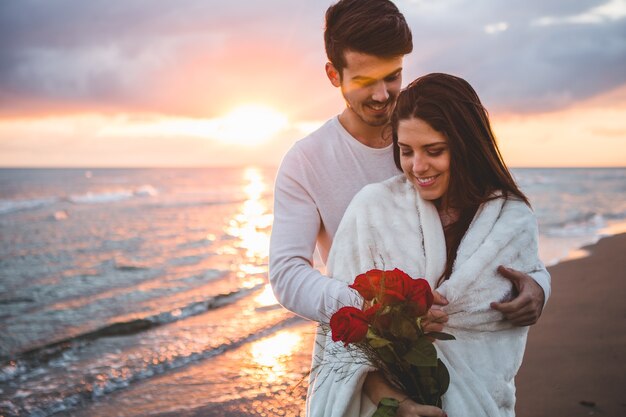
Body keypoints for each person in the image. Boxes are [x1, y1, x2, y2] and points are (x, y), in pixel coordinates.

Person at [310, 72, 544, 416]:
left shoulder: (512, 219)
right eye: (406, 151)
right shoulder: (372, 208)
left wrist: (540, 289)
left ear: (466, 145)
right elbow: (342, 336)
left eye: (434, 151)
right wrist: (401, 404)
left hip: (484, 404)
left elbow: (523, 290)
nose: (418, 167)